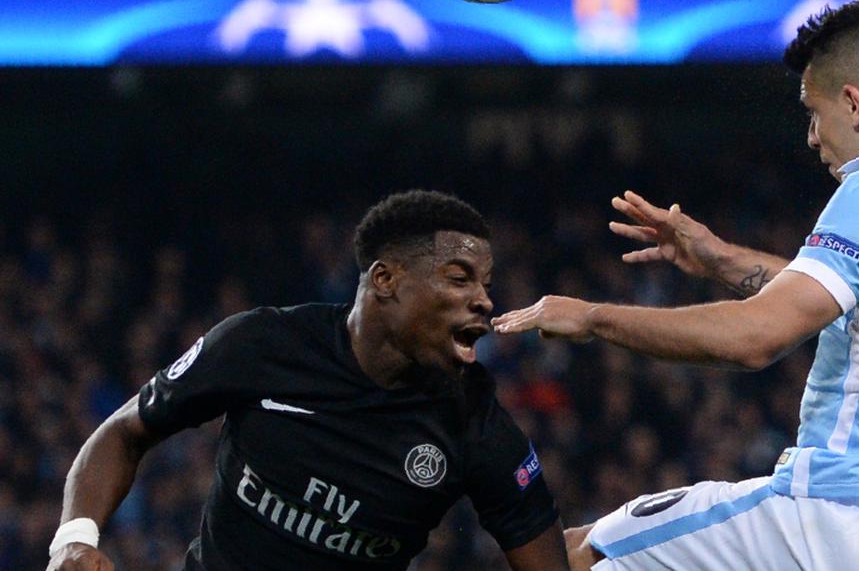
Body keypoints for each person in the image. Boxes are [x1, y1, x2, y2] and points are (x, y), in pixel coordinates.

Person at [494, 2, 859, 570]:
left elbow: (753, 339)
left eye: (814, 111)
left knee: (573, 555)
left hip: (841, 521)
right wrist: (723, 260)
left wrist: (592, 319)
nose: (811, 136)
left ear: (853, 104)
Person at [48, 191, 568, 571]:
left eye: (486, 283)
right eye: (460, 278)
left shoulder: (478, 426)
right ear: (385, 280)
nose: (484, 299)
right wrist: (74, 538)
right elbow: (123, 433)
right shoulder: (263, 345)